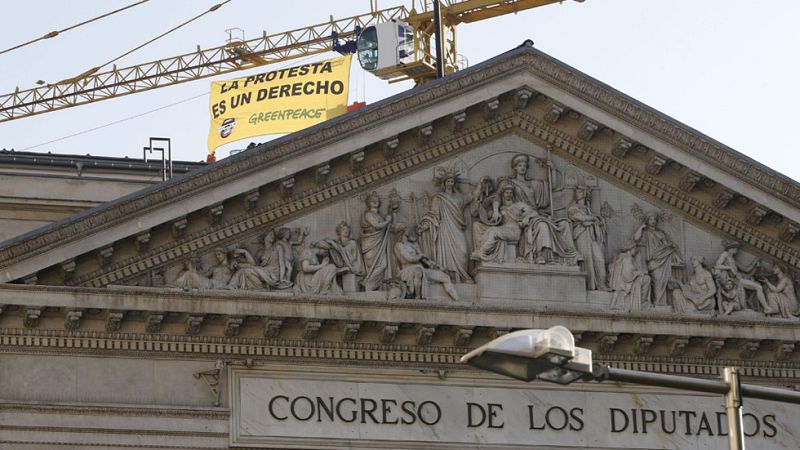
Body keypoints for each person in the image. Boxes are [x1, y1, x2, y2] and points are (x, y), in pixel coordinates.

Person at [471, 180, 576, 264]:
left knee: (494, 231)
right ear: (502, 194)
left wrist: (527, 218)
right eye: (506, 193)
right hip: (504, 229)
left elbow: (534, 212)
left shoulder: (519, 205)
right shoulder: (500, 208)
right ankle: (482, 252)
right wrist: (493, 210)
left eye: (510, 193)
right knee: (480, 226)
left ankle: (482, 252)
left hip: (514, 231)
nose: (508, 195)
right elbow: (484, 215)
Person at [418, 169, 472, 282]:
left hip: (457, 227)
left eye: (452, 181)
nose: (450, 184)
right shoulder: (439, 197)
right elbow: (434, 214)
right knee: (446, 253)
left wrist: (481, 185)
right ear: (444, 183)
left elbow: (470, 197)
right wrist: (426, 224)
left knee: (463, 251)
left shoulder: (459, 197)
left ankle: (462, 275)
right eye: (448, 181)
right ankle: (450, 277)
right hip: (445, 228)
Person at [394, 227, 458, 300]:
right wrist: (420, 256)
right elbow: (409, 258)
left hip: (421, 269)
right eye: (406, 231)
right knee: (418, 271)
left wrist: (435, 265)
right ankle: (418, 297)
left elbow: (424, 259)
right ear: (402, 232)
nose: (408, 232)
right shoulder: (398, 245)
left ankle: (457, 300)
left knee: (445, 277)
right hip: (407, 270)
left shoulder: (412, 245)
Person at [633, 213, 683, 306]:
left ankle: (659, 304)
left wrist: (675, 256)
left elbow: (666, 246)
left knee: (661, 283)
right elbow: (636, 238)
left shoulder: (660, 233)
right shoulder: (645, 232)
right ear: (647, 221)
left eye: (654, 219)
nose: (653, 221)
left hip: (662, 260)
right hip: (651, 260)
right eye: (651, 219)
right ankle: (656, 303)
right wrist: (641, 227)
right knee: (655, 282)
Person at [567, 185, 609, 290]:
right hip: (581, 235)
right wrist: (593, 219)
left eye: (580, 192)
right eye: (576, 192)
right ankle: (587, 286)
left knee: (600, 259)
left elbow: (589, 221)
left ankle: (601, 284)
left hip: (592, 236)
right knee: (585, 259)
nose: (577, 194)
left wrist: (591, 220)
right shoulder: (573, 207)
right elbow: (579, 218)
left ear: (585, 194)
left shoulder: (588, 209)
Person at [713, 241, 773, 314]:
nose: (736, 250)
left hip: (738, 279)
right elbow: (717, 265)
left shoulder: (733, 260)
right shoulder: (725, 254)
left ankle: (766, 308)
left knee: (758, 286)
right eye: (735, 248)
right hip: (735, 281)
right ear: (731, 248)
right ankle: (766, 308)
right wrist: (729, 268)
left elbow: (746, 269)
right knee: (758, 287)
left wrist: (754, 262)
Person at [360, 192, 397, 290]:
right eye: (372, 199)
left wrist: (392, 214)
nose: (375, 201)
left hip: (380, 244)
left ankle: (371, 285)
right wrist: (388, 221)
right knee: (373, 265)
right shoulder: (368, 214)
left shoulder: (380, 216)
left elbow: (388, 228)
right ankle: (368, 284)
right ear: (368, 202)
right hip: (371, 244)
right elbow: (377, 225)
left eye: (377, 199)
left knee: (383, 264)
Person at [609, 241, 652, 311]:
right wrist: (640, 273)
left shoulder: (621, 257)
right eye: (634, 248)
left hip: (619, 283)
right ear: (630, 249)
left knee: (645, 278)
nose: (635, 251)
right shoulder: (627, 259)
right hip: (625, 283)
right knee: (647, 279)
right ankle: (642, 302)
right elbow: (628, 275)